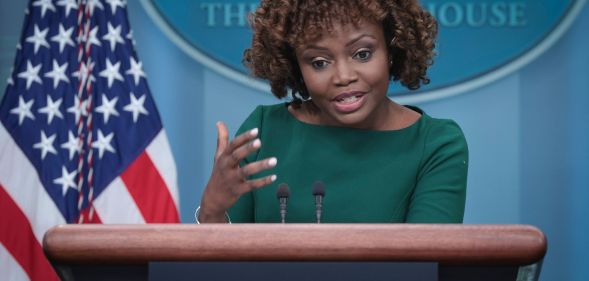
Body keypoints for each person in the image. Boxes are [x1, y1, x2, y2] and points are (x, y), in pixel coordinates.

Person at [197, 0, 468, 223]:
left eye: (362, 54)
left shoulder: (436, 144)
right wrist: (212, 208)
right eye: (319, 62)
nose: (343, 76)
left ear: (391, 49)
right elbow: (220, 265)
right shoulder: (265, 130)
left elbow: (427, 266)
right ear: (295, 66)